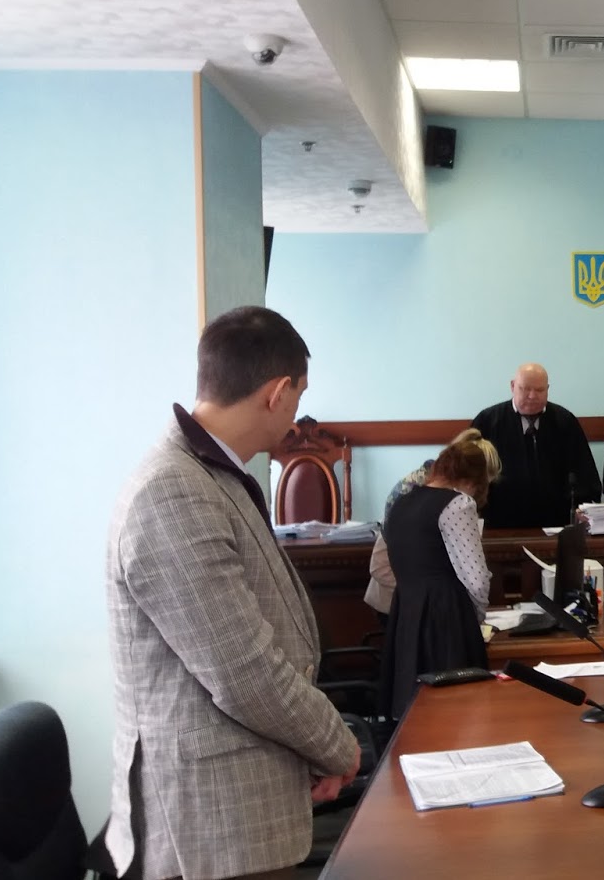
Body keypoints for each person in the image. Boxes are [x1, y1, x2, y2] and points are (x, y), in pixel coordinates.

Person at [104, 306, 359, 880]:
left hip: (241, 804)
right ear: (277, 393)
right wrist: (335, 744)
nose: (295, 416)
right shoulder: (173, 491)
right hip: (210, 828)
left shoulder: (213, 474)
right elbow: (242, 671)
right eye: (298, 396)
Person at [378, 429, 501, 720]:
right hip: (447, 619)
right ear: (472, 481)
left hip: (407, 615)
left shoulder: (401, 503)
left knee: (418, 715)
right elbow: (476, 579)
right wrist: (477, 619)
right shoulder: (458, 504)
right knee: (458, 715)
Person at [364, 428, 485, 615]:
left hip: (412, 609)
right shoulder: (415, 494)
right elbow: (380, 566)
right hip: (403, 603)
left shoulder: (417, 497)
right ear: (468, 480)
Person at [472, 363, 601, 528]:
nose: (532, 396)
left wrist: (582, 507)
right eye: (525, 389)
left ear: (548, 389)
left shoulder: (564, 421)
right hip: (500, 523)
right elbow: (469, 476)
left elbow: (584, 473)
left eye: (539, 390)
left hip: (556, 523)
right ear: (512, 386)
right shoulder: (488, 421)